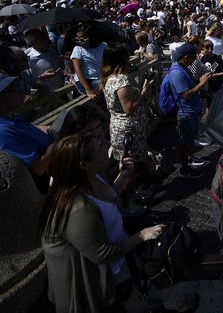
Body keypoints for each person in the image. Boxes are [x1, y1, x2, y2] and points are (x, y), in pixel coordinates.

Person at [38, 134, 199, 313]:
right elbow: (104, 254)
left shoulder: (92, 177)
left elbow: (109, 200)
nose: (106, 148)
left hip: (122, 252)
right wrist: (141, 235)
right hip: (109, 271)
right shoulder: (78, 209)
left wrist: (123, 176)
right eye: (99, 149)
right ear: (83, 165)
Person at [0, 72, 54, 189]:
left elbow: (27, 129)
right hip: (44, 185)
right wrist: (61, 140)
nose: (22, 93)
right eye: (14, 90)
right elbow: (38, 169)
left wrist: (50, 129)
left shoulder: (5, 117)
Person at [101, 45, 155, 202]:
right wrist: (144, 92)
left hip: (118, 125)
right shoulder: (122, 80)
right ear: (123, 59)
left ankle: (130, 193)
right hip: (128, 128)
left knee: (126, 163)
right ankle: (130, 198)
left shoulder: (108, 76)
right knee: (129, 165)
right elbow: (128, 109)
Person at [167, 43, 210, 179]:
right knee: (184, 141)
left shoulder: (182, 67)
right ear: (185, 57)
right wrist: (201, 83)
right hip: (185, 112)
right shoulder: (177, 72)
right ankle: (185, 169)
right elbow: (186, 94)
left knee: (188, 140)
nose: (193, 60)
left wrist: (198, 79)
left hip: (190, 111)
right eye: (192, 57)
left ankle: (190, 159)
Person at [71, 23, 107, 99]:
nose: (79, 42)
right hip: (86, 81)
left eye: (82, 40)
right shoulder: (78, 49)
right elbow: (78, 70)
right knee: (110, 85)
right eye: (77, 39)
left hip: (101, 77)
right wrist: (88, 89)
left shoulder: (103, 46)